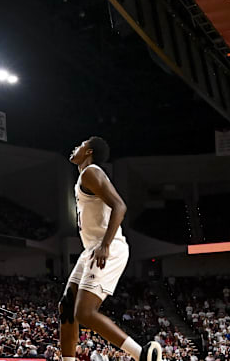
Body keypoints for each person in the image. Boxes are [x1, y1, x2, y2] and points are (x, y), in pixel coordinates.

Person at [60, 137, 161, 361]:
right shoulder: (84, 176)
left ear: (89, 151)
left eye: (81, 144)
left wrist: (105, 244)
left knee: (83, 313)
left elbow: (120, 206)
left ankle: (142, 354)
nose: (75, 146)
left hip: (108, 246)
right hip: (91, 249)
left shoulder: (91, 172)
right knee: (67, 307)